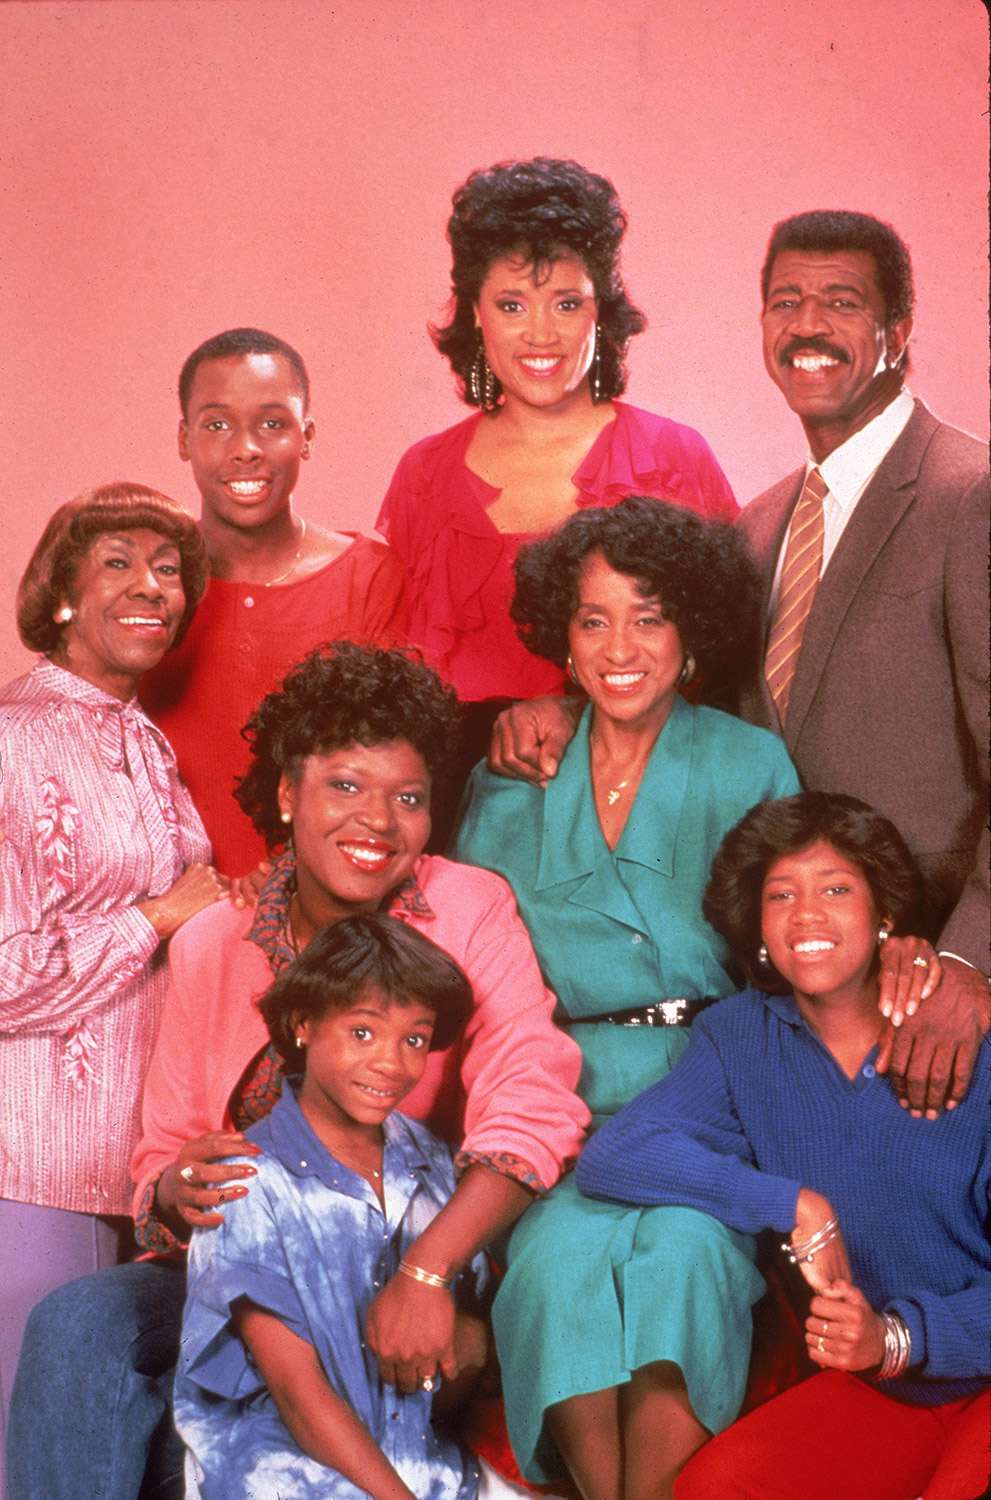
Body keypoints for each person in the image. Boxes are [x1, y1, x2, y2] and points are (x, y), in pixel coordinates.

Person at [7, 642, 588, 1500]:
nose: (378, 822)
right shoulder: (212, 941)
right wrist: (175, 1187)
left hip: (398, 1258)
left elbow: (532, 1099)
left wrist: (430, 1271)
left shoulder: (467, 908)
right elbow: (162, 1147)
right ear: (287, 794)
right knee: (76, 1322)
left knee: (219, 1442)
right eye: (345, 787)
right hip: (237, 1264)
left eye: (409, 798)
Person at [489, 208, 990, 1118]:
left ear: (900, 331)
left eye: (842, 301)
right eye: (785, 301)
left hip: (924, 987)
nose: (808, 325)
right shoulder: (760, 529)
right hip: (778, 989)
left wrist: (967, 963)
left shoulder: (969, 495)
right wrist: (568, 705)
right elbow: (664, 688)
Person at [451, 498, 807, 1498]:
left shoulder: (747, 762)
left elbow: (786, 961)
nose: (620, 646)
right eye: (593, 617)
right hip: (557, 1097)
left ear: (690, 629)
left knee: (683, 1263)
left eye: (647, 616)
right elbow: (469, 961)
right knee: (557, 1275)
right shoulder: (512, 774)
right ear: (559, 637)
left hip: (705, 1093)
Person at [577, 792, 990, 1500]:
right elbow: (616, 1153)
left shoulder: (960, 1036)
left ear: (882, 912)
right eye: (780, 895)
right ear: (758, 927)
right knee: (713, 1489)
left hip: (964, 1371)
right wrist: (790, 1201)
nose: (807, 915)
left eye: (835, 889)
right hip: (889, 1397)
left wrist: (895, 1338)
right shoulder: (739, 1037)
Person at [376, 157, 737, 832]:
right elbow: (394, 693)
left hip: (646, 806)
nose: (540, 334)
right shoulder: (423, 475)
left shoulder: (672, 457)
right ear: (475, 317)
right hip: (460, 818)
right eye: (512, 304)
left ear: (602, 312)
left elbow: (728, 669)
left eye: (566, 303)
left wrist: (577, 710)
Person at [0, 484, 228, 1490]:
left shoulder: (146, 740)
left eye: (169, 569)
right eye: (119, 564)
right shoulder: (12, 736)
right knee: (30, 1453)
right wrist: (157, 917)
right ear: (59, 596)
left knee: (103, 1460)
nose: (152, 586)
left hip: (131, 1170)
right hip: (29, 1160)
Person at [177, 912, 530, 1500]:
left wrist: (471, 1339)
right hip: (287, 1473)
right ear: (303, 1025)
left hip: (422, 1465)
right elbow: (297, 1394)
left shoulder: (434, 1162)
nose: (391, 1063)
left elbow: (464, 1337)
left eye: (413, 1039)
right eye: (363, 1032)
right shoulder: (246, 1181)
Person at [140, 327, 407, 874]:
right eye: (217, 425)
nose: (246, 449)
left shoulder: (369, 578)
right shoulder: (145, 587)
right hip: (166, 904)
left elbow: (391, 771)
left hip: (322, 908)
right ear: (184, 439)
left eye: (272, 424)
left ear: (306, 436)